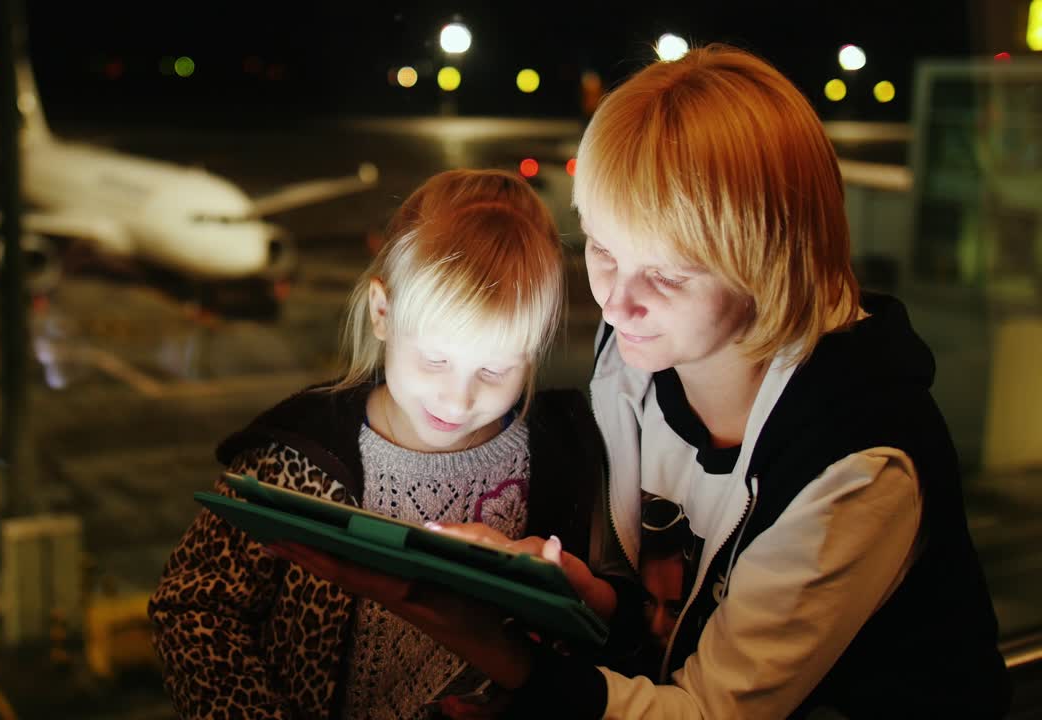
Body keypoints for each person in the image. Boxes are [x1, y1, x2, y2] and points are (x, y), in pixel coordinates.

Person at [267, 44, 1013, 718]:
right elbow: (658, 623)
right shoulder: (636, 357)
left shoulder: (856, 460)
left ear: (771, 260)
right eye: (600, 248)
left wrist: (485, 642)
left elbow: (709, 713)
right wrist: (573, 591)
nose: (615, 302)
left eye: (665, 273)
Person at [147, 168, 608, 720]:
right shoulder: (297, 454)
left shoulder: (569, 458)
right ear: (382, 313)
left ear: (532, 351)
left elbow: (606, 635)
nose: (457, 399)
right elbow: (194, 606)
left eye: (495, 368)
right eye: (435, 359)